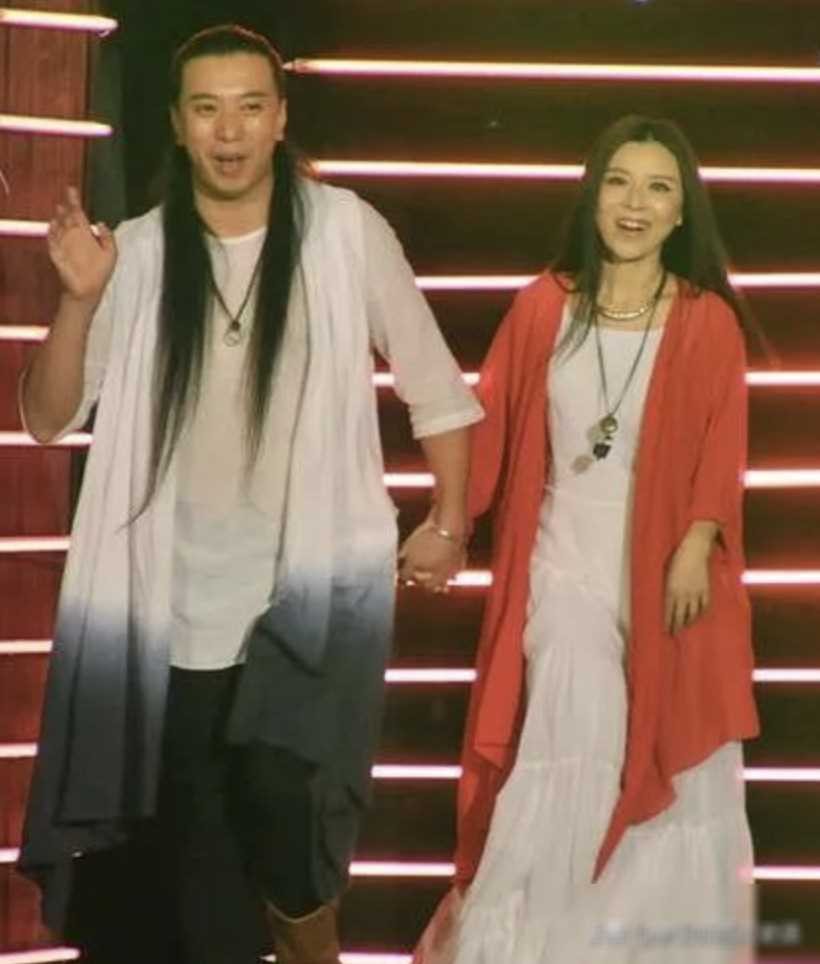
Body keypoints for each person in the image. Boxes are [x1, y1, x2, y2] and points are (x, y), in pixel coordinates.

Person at [17, 24, 482, 964]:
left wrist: (451, 519)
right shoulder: (137, 252)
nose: (228, 131)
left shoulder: (345, 232)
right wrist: (78, 299)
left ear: (280, 119)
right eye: (206, 109)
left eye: (248, 107)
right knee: (191, 887)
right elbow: (46, 418)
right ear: (177, 125)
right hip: (167, 612)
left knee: (290, 830)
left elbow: (436, 387)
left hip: (306, 601)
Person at [414, 115, 759, 964]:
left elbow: (724, 444)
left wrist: (697, 542)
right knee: (577, 720)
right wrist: (448, 524)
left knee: (669, 752)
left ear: (682, 211)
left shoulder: (706, 321)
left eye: (658, 187)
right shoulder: (542, 307)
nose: (635, 203)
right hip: (561, 565)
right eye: (619, 182)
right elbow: (491, 431)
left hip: (666, 572)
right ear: (593, 195)